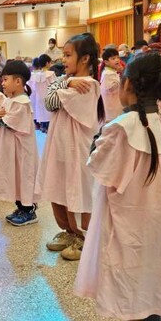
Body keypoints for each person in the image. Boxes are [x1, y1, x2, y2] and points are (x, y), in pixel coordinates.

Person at [75, 52, 161, 321]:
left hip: (127, 214)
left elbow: (101, 168)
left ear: (129, 86)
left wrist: (97, 143)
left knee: (131, 264)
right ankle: (141, 320)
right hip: (154, 211)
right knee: (149, 263)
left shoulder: (123, 127)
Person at [36, 32, 104, 261]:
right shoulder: (71, 81)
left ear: (85, 59)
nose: (63, 60)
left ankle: (83, 235)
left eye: (67, 55)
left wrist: (64, 82)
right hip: (60, 147)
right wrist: (65, 81)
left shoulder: (89, 85)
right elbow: (51, 98)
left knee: (77, 190)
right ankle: (68, 231)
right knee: (59, 188)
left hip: (76, 150)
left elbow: (50, 101)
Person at [0, 60, 40, 226]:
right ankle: (20, 207)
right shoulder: (10, 99)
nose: (2, 83)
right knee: (15, 177)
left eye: (5, 79)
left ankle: (28, 210)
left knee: (23, 176)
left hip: (22, 151)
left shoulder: (22, 103)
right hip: (11, 148)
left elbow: (8, 121)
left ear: (18, 81)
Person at [29, 54, 56, 133]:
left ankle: (42, 126)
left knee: (41, 112)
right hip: (48, 95)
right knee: (48, 113)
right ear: (47, 63)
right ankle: (48, 127)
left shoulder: (35, 75)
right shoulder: (51, 74)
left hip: (38, 96)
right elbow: (54, 85)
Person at [100, 48, 123, 122]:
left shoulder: (112, 72)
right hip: (111, 107)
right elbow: (113, 87)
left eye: (118, 57)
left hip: (114, 104)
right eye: (113, 58)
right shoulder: (108, 74)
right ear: (106, 62)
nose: (117, 60)